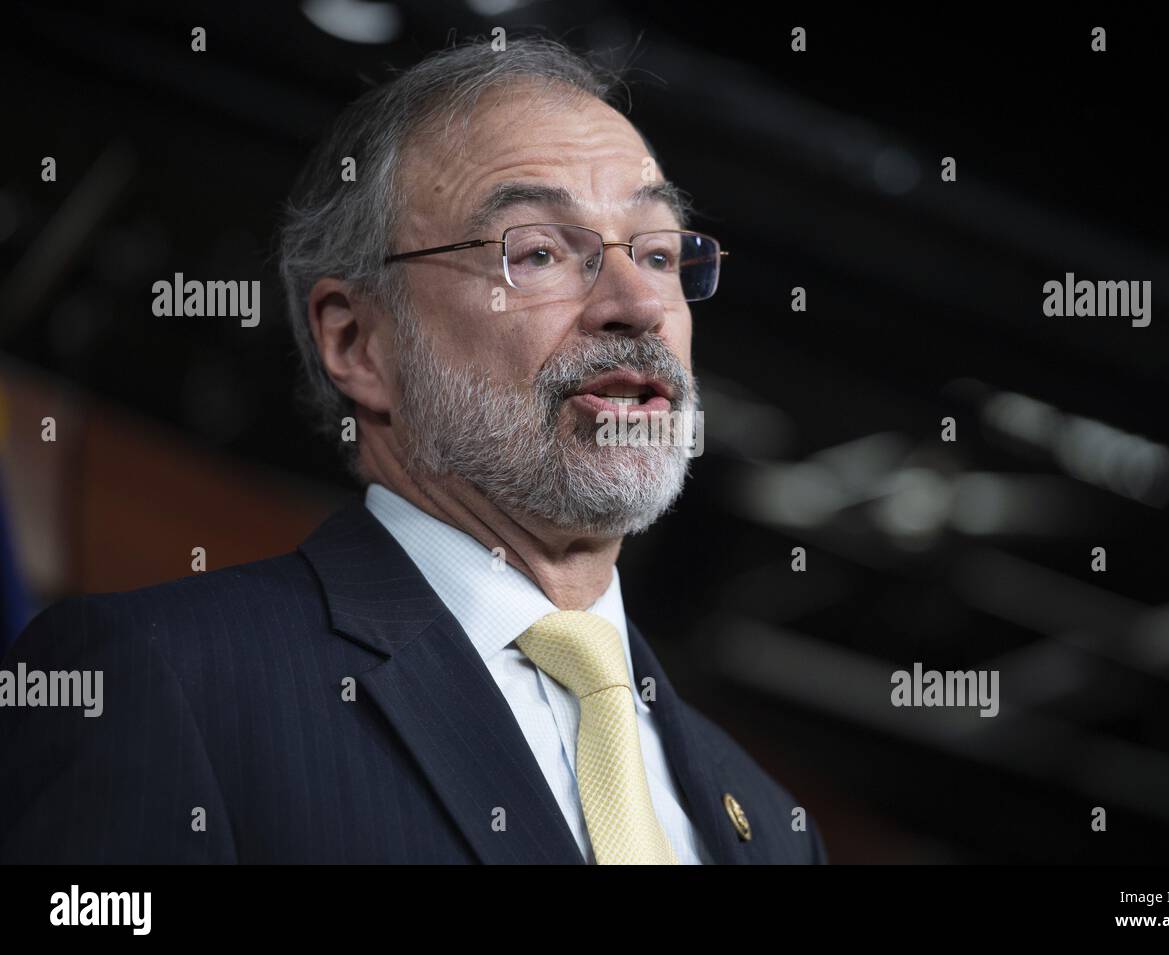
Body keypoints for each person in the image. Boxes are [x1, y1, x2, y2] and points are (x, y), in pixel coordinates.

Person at [0, 35, 828, 864]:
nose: (639, 302)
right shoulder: (162, 681)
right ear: (358, 342)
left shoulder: (772, 824)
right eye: (539, 252)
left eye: (657, 253)